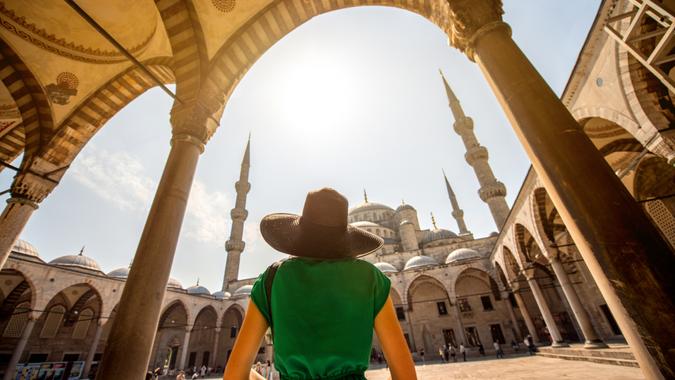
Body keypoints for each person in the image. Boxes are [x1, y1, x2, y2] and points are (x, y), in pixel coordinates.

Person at [223, 188, 417, 380]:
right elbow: (404, 372)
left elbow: (234, 374)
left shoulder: (272, 279)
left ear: (300, 233)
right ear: (344, 235)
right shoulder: (370, 278)